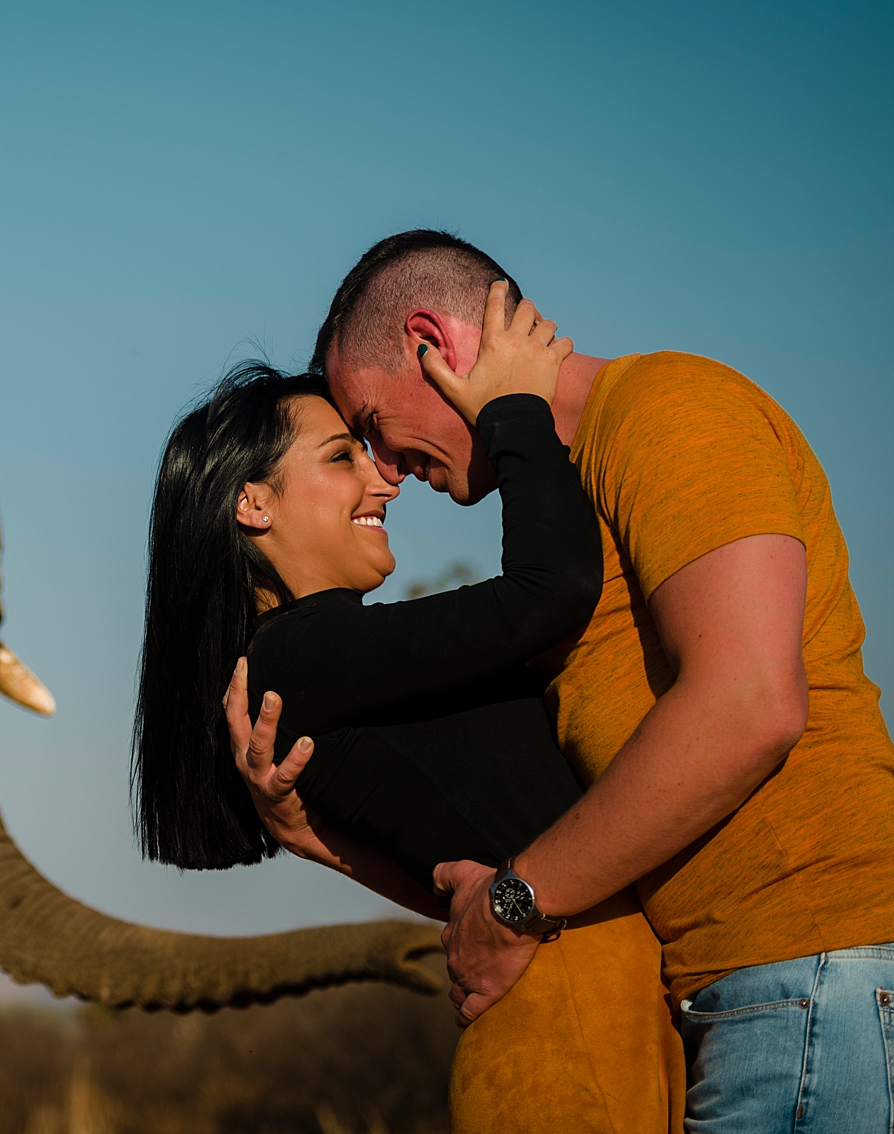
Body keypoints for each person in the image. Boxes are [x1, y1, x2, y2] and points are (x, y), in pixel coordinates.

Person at [289, 229, 894, 1130]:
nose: (385, 470)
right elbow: (534, 818)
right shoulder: (561, 507)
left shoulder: (667, 408)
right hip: (753, 994)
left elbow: (750, 705)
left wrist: (514, 903)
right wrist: (311, 829)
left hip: (810, 975)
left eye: (373, 427)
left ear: (434, 342)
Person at [134, 286, 681, 1133]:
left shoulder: (323, 661)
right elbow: (550, 591)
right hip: (568, 1037)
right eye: (341, 458)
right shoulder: (293, 657)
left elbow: (468, 871)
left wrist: (319, 843)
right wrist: (514, 409)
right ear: (254, 504)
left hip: (595, 1019)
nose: (384, 479)